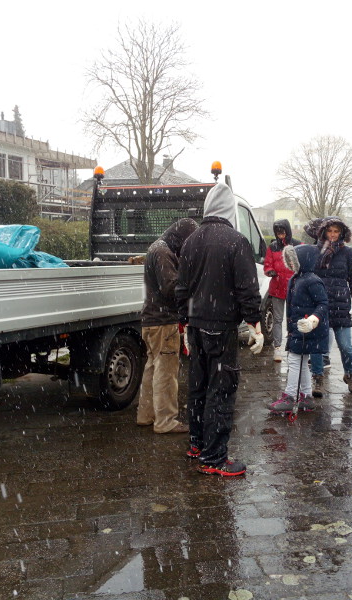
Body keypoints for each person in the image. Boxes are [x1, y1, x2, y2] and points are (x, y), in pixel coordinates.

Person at [175, 181, 263, 477]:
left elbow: (181, 287)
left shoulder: (191, 241)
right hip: (221, 326)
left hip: (196, 326)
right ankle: (214, 458)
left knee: (198, 386)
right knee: (221, 389)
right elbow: (248, 289)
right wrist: (255, 322)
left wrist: (183, 321)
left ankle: (197, 443)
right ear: (228, 210)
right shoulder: (236, 242)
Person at [137, 218, 198, 434]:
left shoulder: (157, 247)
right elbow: (170, 288)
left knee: (152, 368)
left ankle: (146, 415)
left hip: (151, 320)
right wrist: (192, 285)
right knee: (167, 372)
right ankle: (166, 422)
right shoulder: (163, 252)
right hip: (163, 322)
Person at [267, 244, 329, 413]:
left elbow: (323, 304)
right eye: (290, 261)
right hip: (299, 330)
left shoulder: (312, 281)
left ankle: (290, 396)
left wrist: (313, 320)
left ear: (304, 261)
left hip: (308, 330)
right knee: (300, 362)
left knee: (295, 361)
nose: (292, 264)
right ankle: (306, 396)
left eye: (294, 261)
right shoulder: (297, 278)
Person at [309, 217, 352, 395]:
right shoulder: (314, 251)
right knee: (317, 345)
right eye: (330, 231)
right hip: (319, 304)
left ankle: (350, 374)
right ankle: (317, 377)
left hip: (340, 304)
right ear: (324, 232)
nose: (332, 235)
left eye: (336, 231)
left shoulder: (347, 253)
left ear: (342, 233)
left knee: (346, 346)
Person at [263, 219, 300, 363]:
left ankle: (292, 347)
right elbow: (268, 264)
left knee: (293, 319)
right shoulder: (272, 247)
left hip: (293, 288)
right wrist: (270, 271)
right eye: (278, 232)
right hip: (277, 288)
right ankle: (277, 348)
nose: (280, 235)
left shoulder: (297, 245)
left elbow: (302, 262)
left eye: (283, 232)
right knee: (278, 319)